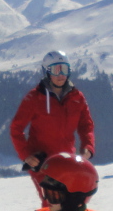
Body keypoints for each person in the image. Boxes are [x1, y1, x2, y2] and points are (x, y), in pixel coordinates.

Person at [10, 51, 95, 197]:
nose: (61, 74)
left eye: (65, 69)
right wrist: (26, 156)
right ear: (47, 71)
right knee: (51, 201)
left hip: (67, 159)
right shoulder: (35, 98)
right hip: (42, 162)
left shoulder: (76, 97)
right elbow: (16, 128)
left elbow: (86, 125)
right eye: (56, 70)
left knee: (71, 200)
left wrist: (88, 147)